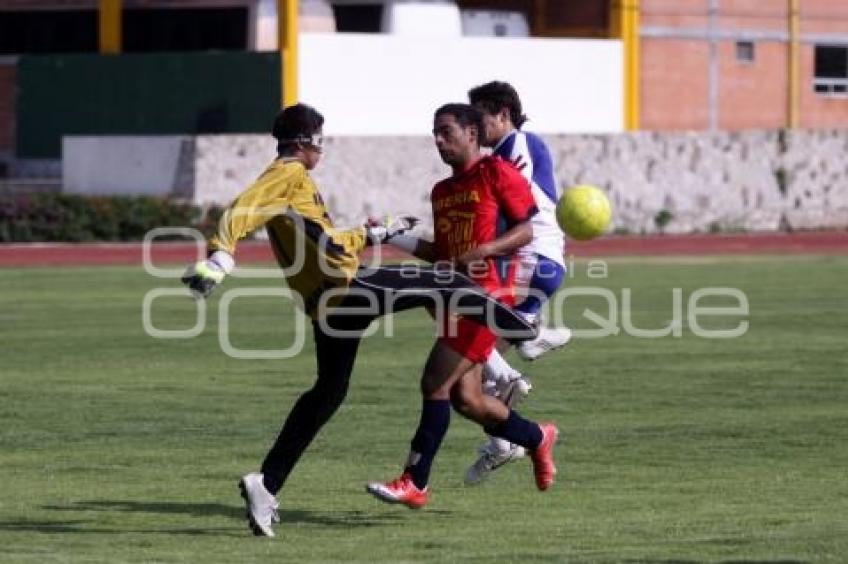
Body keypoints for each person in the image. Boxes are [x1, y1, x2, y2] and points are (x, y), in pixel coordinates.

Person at [181, 103, 539, 538]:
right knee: (443, 280)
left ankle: (267, 484)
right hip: (346, 291)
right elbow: (244, 208)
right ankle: (522, 329)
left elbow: (325, 241)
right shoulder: (289, 173)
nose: (322, 151)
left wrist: (376, 234)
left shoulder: (291, 181)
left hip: (323, 305)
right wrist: (221, 253)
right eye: (321, 141)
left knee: (327, 394)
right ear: (306, 142)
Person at [365, 103, 559, 509]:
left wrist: (486, 250)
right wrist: (391, 237)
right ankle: (538, 437)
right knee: (466, 399)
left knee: (434, 381)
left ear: (472, 133)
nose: (438, 140)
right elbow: (442, 252)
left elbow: (527, 230)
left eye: (446, 131)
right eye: (435, 132)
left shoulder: (497, 172)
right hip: (454, 296)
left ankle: (415, 481)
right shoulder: (443, 191)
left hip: (488, 298)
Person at [462, 81, 571, 485]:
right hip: (539, 261)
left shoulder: (519, 143)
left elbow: (515, 202)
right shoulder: (501, 154)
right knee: (471, 368)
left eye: (480, 118)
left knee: (456, 310)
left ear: (503, 114)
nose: (474, 127)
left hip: (531, 257)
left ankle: (528, 336)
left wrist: (482, 244)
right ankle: (504, 441)